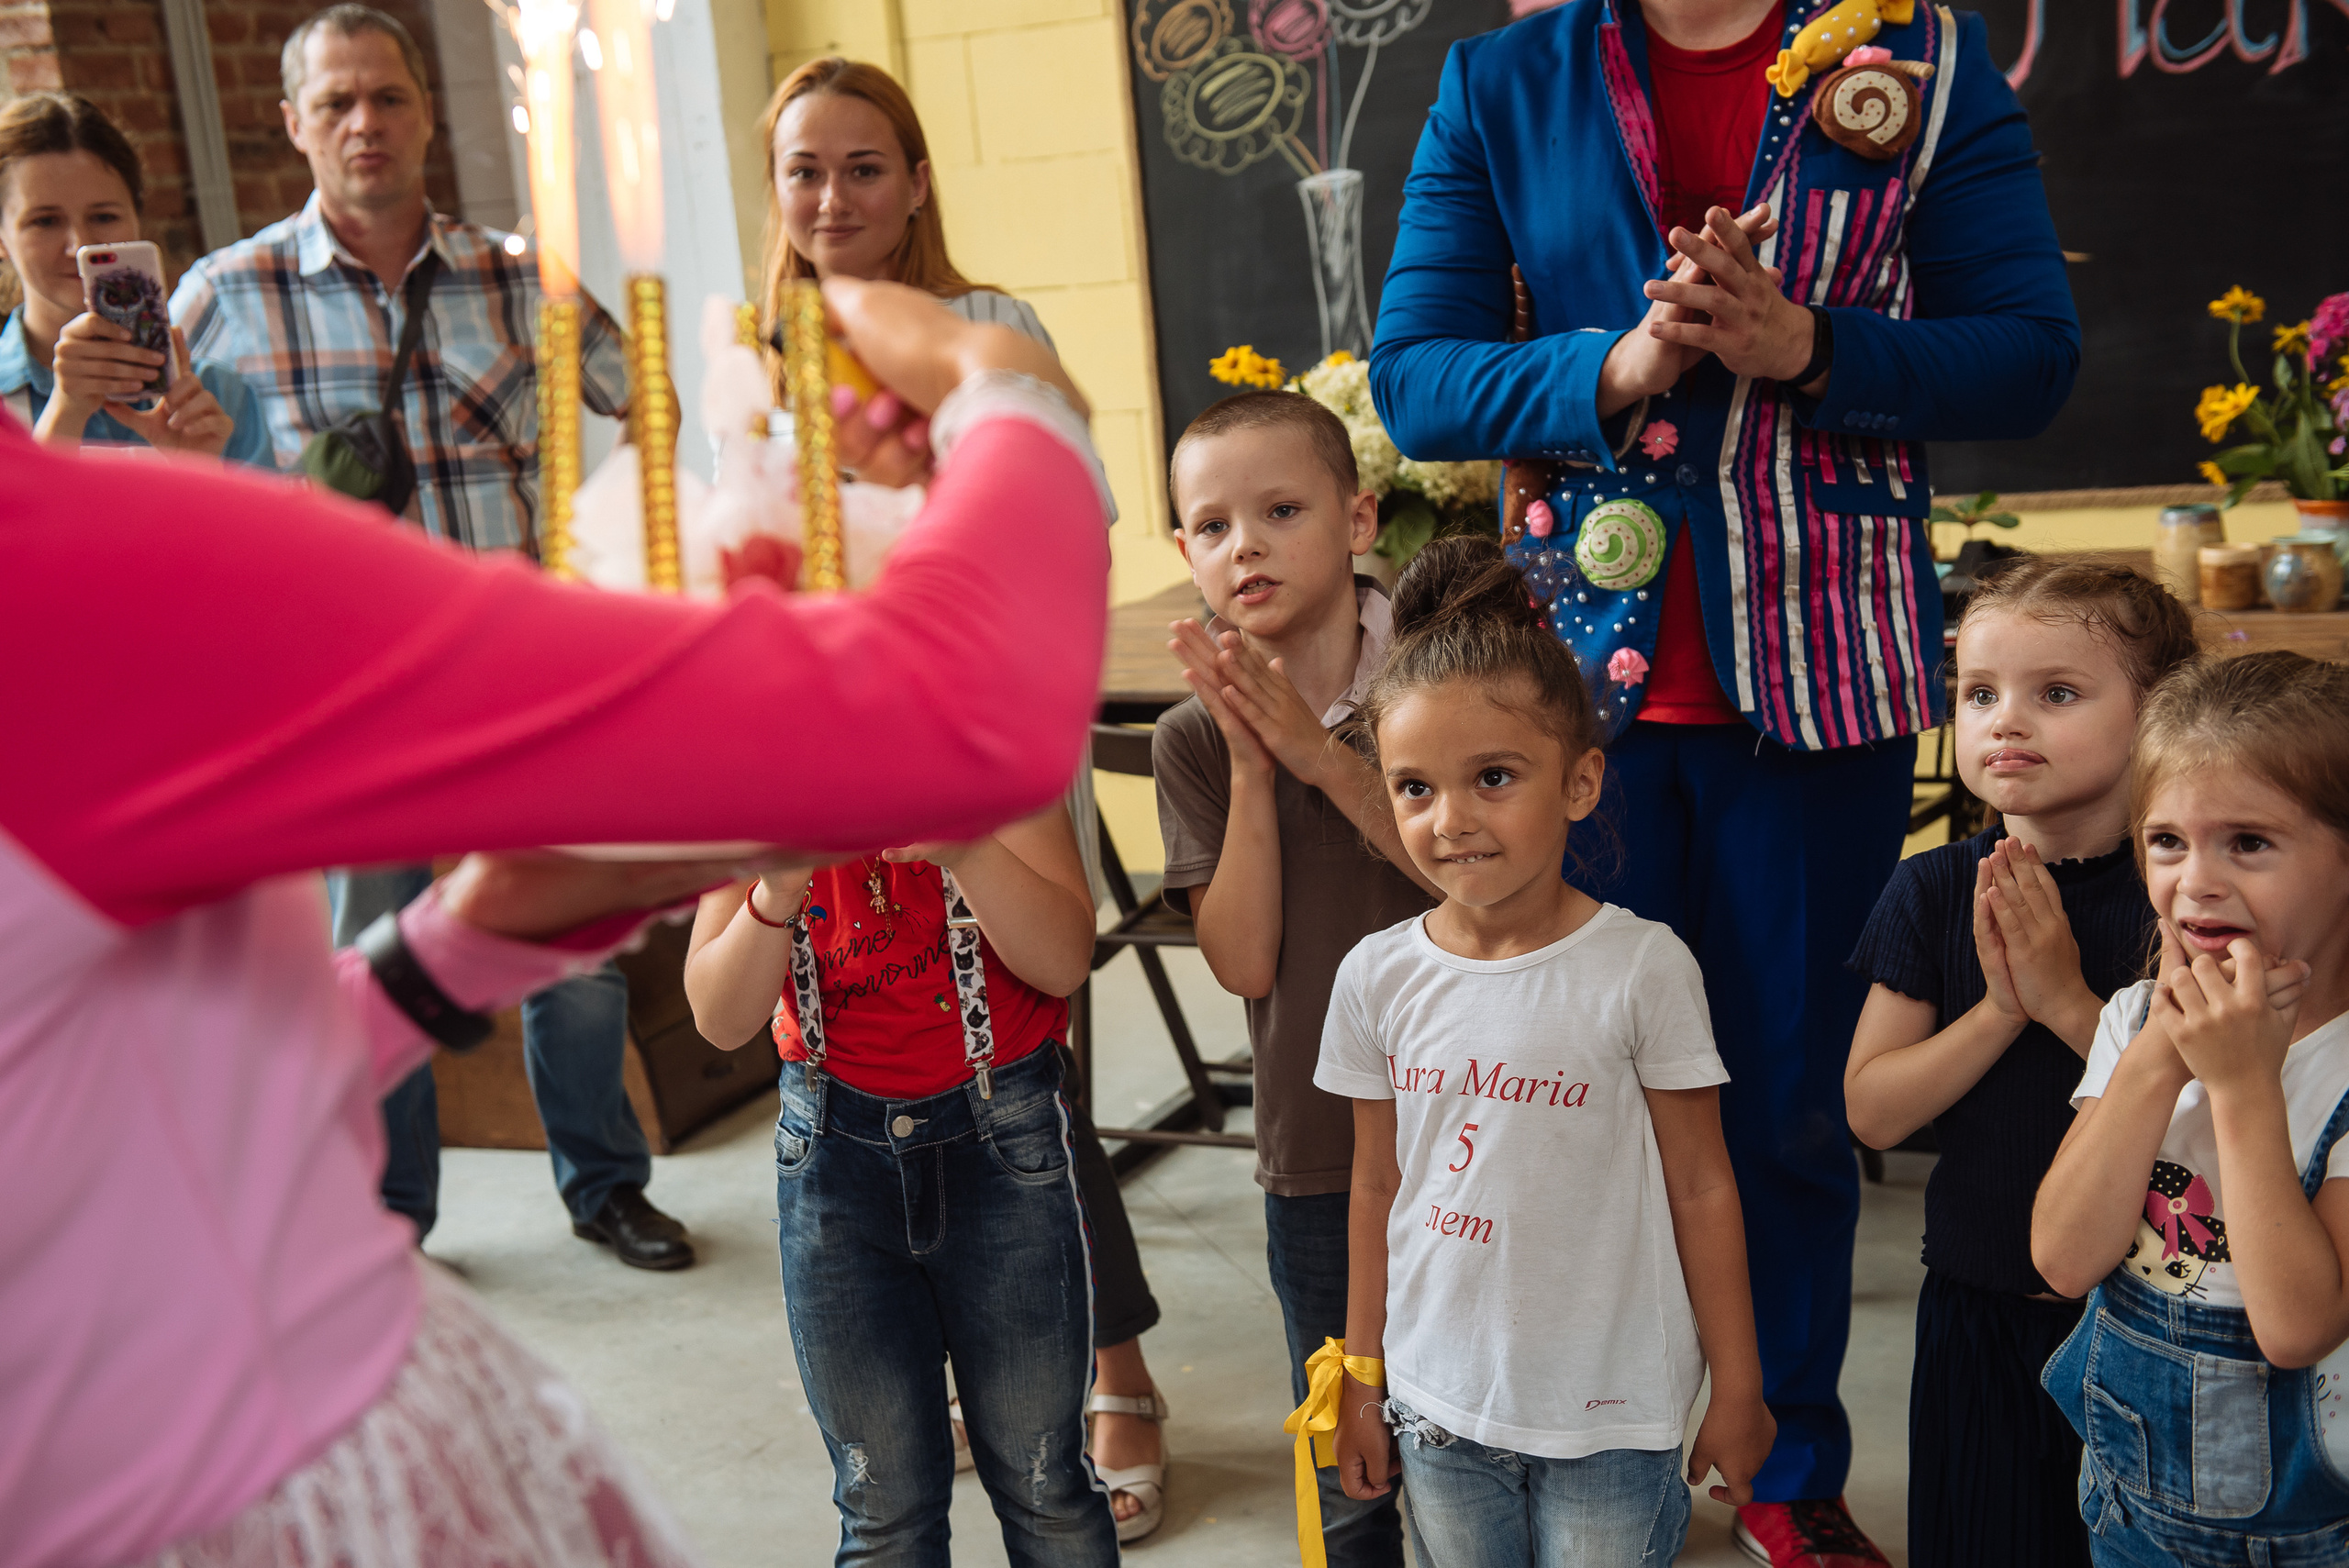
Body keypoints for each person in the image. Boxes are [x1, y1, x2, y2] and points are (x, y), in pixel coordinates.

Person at [0, 279, 1112, 1566]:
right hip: (250, 1483)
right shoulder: (67, 570)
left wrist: (442, 960)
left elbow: (88, 1099)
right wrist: (999, 385)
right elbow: (955, 719)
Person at [1367, 1, 2079, 1557]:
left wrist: (1808, 345)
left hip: (1820, 689)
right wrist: (1616, 363)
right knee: (1564, 1105)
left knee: (1792, 1111)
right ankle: (1587, 1439)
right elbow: (1413, 379)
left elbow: (2031, 357)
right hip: (1563, 711)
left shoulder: (1925, 56)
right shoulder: (1507, 78)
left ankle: (1784, 1464)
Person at [169, 4, 672, 1266]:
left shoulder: (519, 277)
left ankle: (605, 1183)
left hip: (519, 682)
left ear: (426, 112)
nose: (365, 123)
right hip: (351, 700)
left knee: (572, 943)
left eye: (387, 96)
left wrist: (621, 562)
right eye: (334, 102)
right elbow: (163, 484)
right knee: (375, 957)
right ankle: (391, 1221)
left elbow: (650, 400)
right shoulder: (225, 297)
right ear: (292, 125)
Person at [757, 53, 1172, 1535]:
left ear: (919, 179)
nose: (834, 196)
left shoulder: (989, 326)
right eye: (805, 169)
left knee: (1023, 1069)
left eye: (865, 165)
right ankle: (944, 1361)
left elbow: (1063, 541)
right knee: (886, 1052)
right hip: (829, 765)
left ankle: (1108, 1369)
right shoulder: (752, 362)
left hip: (983, 756)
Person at [1316, 535, 1772, 1565]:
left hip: (1611, 1418)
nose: (1450, 820)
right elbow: (1375, 1185)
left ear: (1579, 780)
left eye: (1492, 777)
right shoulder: (1374, 977)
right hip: (1436, 1408)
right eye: (1414, 787)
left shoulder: (1644, 968)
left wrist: (1738, 1385)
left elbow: (1703, 1184)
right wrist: (1363, 1378)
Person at [1842, 560, 2200, 1568]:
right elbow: (1872, 1109)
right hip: (1976, 1305)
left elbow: (2207, 1105)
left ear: (2156, 712)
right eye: (1979, 693)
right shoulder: (1929, 890)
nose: (2006, 719)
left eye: (2057, 693)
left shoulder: (2183, 893)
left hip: (2149, 1317)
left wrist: (2065, 1001)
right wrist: (2004, 1009)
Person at [1150, 389, 1437, 1565]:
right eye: (1213, 527)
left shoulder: (1440, 683)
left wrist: (1319, 752)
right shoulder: (1191, 737)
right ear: (1184, 551)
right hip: (1318, 1148)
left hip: (1486, 1122)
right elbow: (1243, 961)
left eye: (1280, 511)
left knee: (1492, 1445)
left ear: (1358, 518)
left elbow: (1484, 887)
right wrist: (1255, 769)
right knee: (1350, 1462)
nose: (1246, 547)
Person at [682, 809, 1117, 1565]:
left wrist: (967, 849)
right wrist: (774, 892)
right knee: (882, 1505)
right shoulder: (753, 795)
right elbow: (719, 1019)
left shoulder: (994, 769)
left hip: (1001, 1138)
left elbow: (1063, 960)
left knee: (1044, 1481)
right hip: (833, 1157)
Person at [2032, 651, 2349, 1564]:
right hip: (2128, 1513)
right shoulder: (2136, 1019)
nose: (2196, 881)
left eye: (2247, 841)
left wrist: (2243, 1085)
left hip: (2308, 1535)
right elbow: (2063, 1257)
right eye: (2167, 841)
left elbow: (2296, 1328)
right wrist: (2159, 1056)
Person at [0, 93, 270, 466]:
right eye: (44, 221)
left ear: (137, 217)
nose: (79, 245)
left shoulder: (215, 398)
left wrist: (194, 473)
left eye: (104, 216)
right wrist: (65, 413)